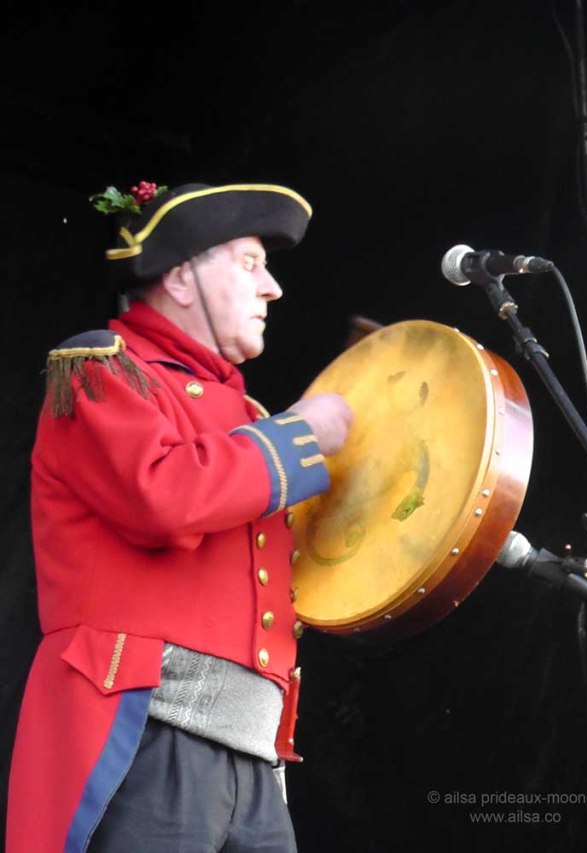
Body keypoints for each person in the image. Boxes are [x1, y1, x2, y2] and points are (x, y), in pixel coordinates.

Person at [6, 180, 353, 853]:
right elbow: (166, 499)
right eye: (250, 262)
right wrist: (302, 434)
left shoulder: (252, 421)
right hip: (147, 735)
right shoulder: (101, 371)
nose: (273, 288)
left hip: (254, 753)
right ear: (180, 276)